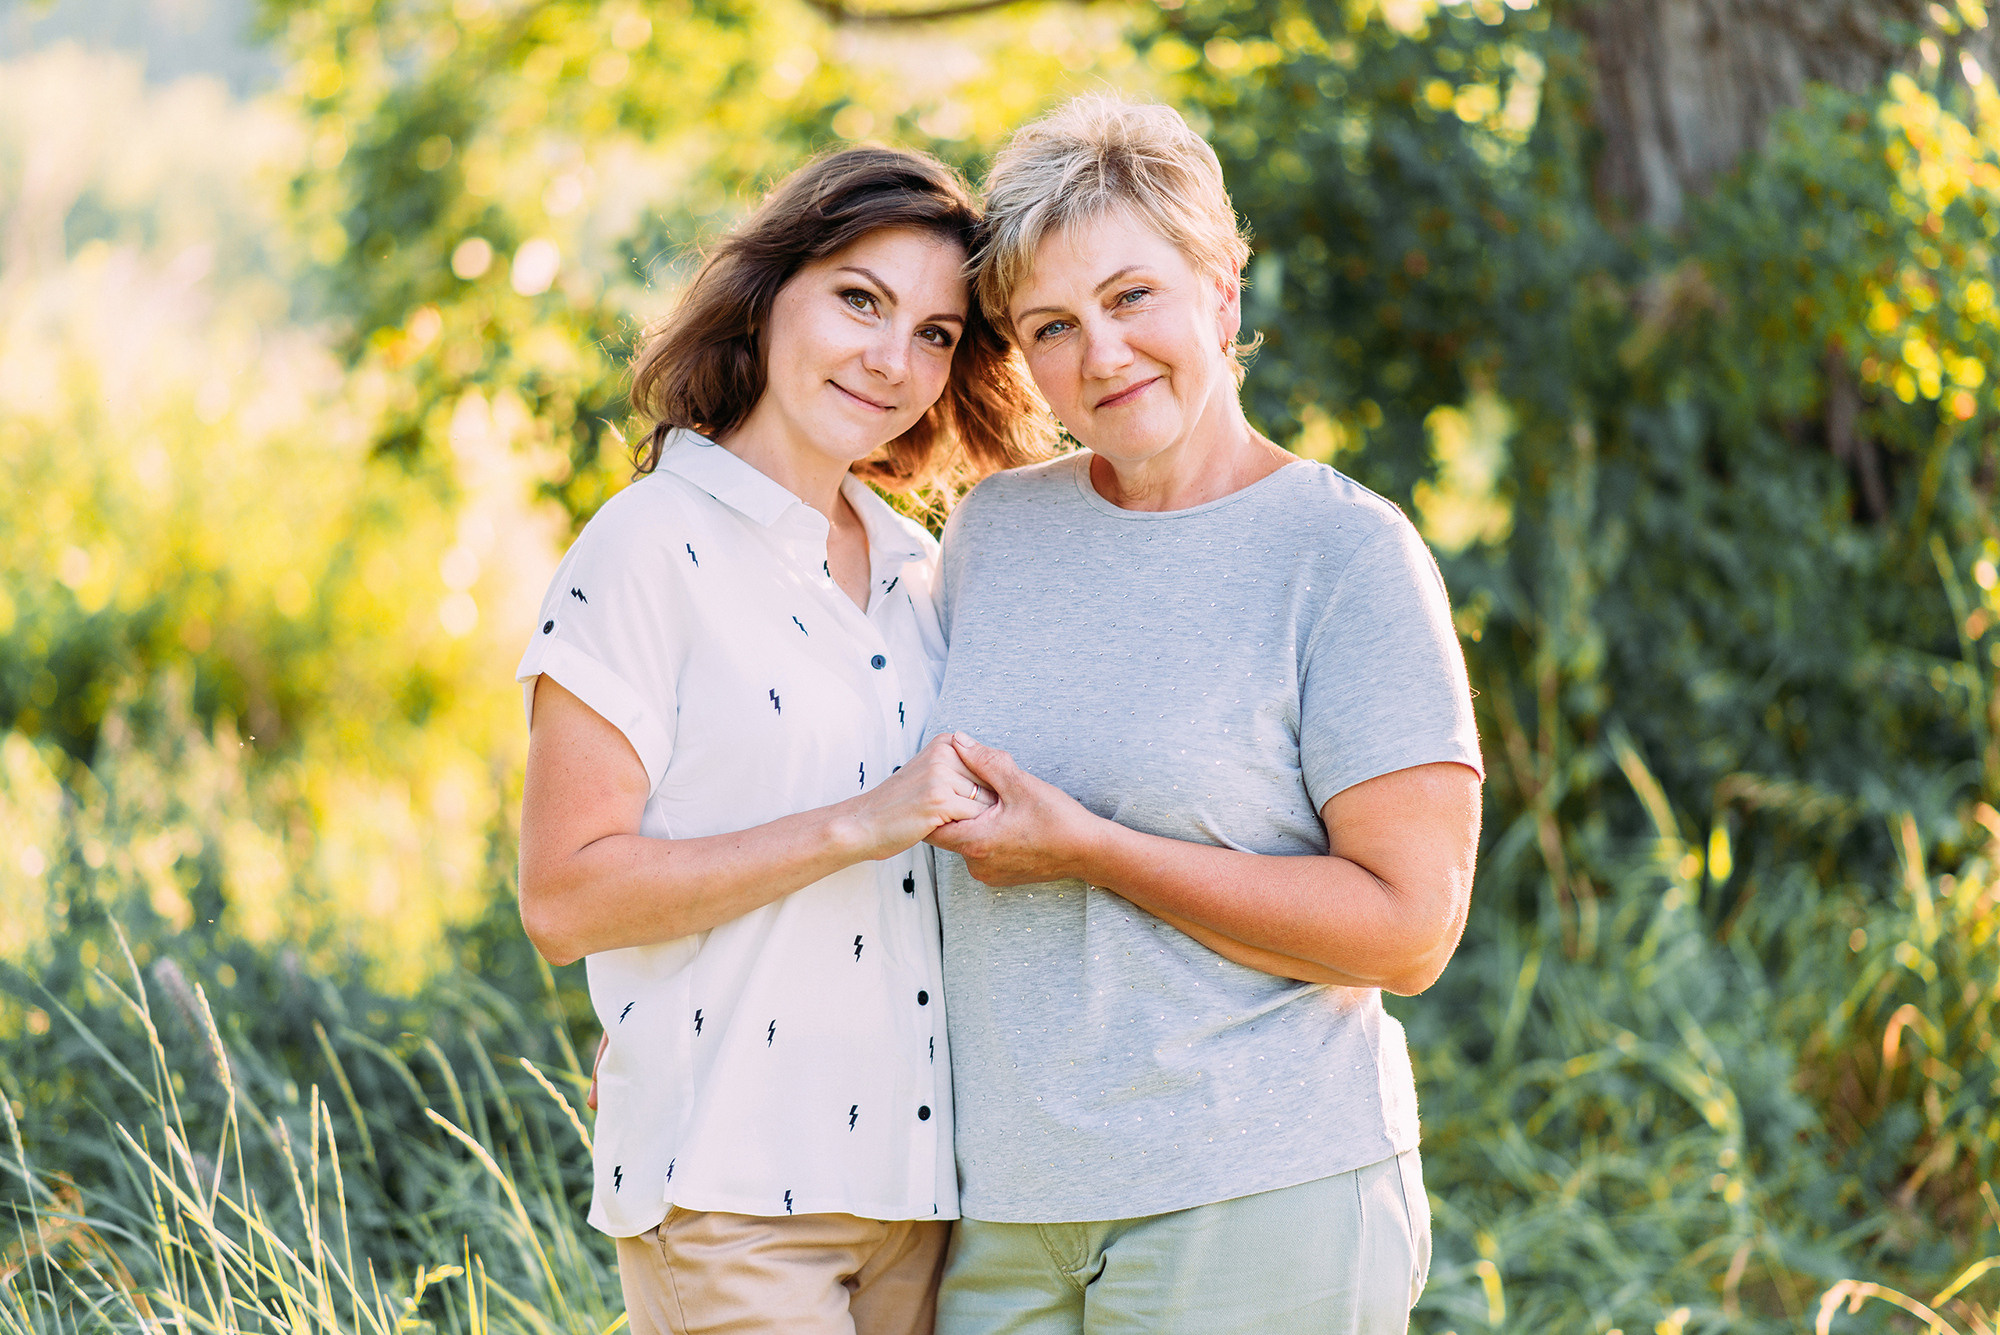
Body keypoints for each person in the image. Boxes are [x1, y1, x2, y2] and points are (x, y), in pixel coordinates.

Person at [922, 96, 1485, 1334]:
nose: (1101, 355)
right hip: (1001, 1209)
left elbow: (1406, 931)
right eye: (1052, 326)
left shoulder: (1342, 555)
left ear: (1219, 290)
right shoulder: (993, 534)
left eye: (1132, 298)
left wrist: (1093, 852)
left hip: (1256, 1192)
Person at [515, 145, 1043, 1335]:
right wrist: (857, 823)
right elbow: (563, 898)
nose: (888, 358)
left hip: (924, 1195)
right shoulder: (644, 546)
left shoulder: (921, 569)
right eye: (858, 300)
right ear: (764, 298)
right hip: (731, 1192)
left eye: (935, 334)